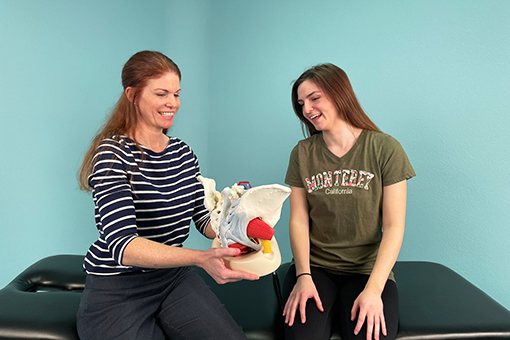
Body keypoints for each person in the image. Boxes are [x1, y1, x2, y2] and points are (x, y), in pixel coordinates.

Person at [76, 50, 258, 340]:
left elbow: (202, 218)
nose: (172, 103)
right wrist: (200, 258)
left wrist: (240, 225)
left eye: (176, 94)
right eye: (162, 94)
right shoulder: (112, 156)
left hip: (173, 278)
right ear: (133, 95)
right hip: (119, 286)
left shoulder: (182, 153)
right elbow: (124, 247)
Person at [282, 63, 415, 340]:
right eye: (301, 103)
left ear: (340, 94)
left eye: (315, 98)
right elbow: (298, 219)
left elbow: (393, 226)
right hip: (314, 268)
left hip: (367, 271)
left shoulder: (385, 149)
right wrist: (302, 276)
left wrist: (374, 289)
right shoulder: (302, 153)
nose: (307, 109)